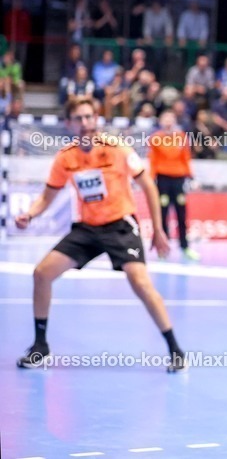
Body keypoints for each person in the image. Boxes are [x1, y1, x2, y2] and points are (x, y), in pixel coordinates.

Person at [15, 97, 186, 372]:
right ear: (69, 123)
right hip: (87, 228)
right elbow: (47, 196)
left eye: (89, 117)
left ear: (96, 120)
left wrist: (158, 229)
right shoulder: (65, 158)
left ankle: (175, 350)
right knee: (42, 273)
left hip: (120, 225)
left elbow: (149, 187)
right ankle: (40, 347)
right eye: (79, 119)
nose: (85, 123)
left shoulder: (118, 149)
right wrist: (30, 214)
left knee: (140, 281)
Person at [149, 110, 198, 261]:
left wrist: (191, 176)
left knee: (181, 214)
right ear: (161, 121)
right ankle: (163, 248)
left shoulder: (181, 137)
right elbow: (153, 160)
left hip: (179, 180)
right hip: (162, 180)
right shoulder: (155, 138)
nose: (168, 122)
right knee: (162, 214)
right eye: (165, 119)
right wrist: (150, 179)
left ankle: (185, 247)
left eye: (171, 119)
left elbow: (186, 158)